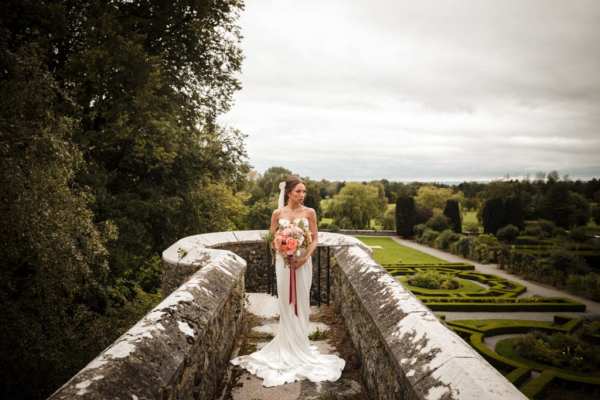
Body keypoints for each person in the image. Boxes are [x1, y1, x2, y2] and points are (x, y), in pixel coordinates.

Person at [229, 175, 345, 387]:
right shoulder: (277, 213)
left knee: (300, 303)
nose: (302, 195)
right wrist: (284, 252)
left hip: (303, 264)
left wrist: (302, 258)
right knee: (285, 302)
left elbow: (316, 238)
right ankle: (286, 344)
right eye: (298, 191)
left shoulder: (310, 212)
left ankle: (300, 344)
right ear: (289, 192)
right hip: (283, 265)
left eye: (304, 192)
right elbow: (272, 239)